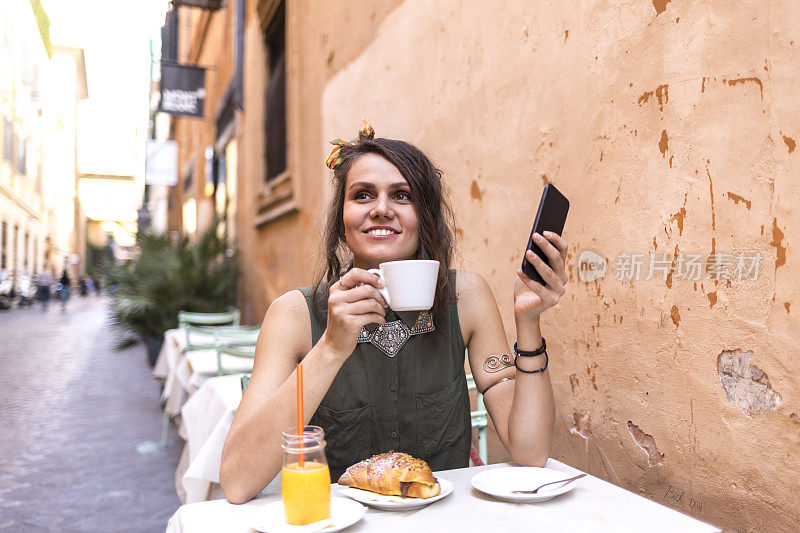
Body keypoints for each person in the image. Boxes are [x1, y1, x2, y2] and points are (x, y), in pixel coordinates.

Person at [220, 123, 568, 504]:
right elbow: (237, 482)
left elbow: (530, 453)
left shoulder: (465, 297)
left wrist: (529, 322)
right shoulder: (294, 314)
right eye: (363, 195)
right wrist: (331, 349)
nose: (381, 209)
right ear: (341, 218)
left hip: (446, 518)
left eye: (402, 196)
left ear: (425, 216)